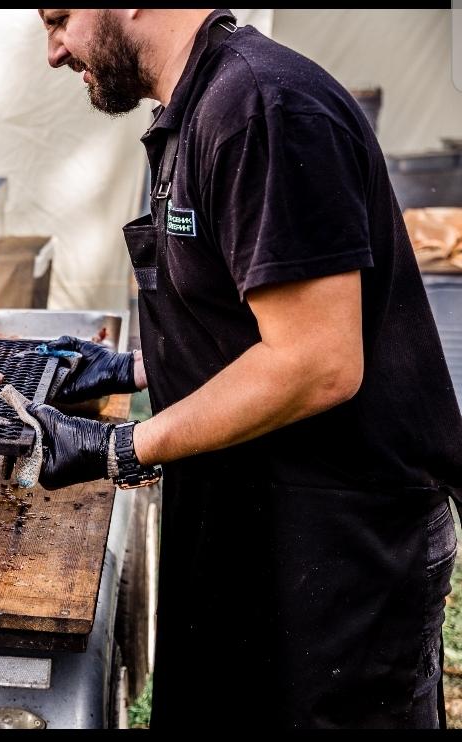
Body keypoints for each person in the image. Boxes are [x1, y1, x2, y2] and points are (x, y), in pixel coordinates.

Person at [32, 8, 462, 728]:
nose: (53, 51)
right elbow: (244, 317)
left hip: (343, 551)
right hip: (260, 522)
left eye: (58, 18)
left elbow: (317, 360)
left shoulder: (262, 106)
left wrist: (121, 447)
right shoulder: (196, 106)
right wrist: (133, 369)